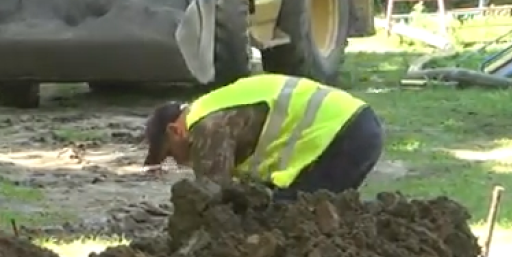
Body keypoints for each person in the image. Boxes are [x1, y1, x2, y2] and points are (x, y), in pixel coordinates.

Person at [142, 74, 384, 199]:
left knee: (296, 215)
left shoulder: (206, 127)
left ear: (175, 130)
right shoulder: (214, 106)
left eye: (170, 153)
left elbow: (212, 197)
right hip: (356, 128)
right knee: (299, 209)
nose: (177, 162)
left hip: (344, 135)